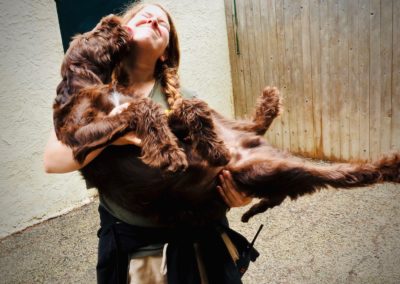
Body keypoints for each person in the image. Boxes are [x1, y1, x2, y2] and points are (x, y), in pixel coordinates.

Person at [44, 2, 256, 283]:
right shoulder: (89, 91)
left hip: (201, 240)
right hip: (138, 250)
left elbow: (229, 163)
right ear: (119, 34)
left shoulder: (186, 101)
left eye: (162, 22)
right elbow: (53, 160)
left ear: (165, 52)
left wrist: (241, 194)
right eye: (144, 16)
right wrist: (114, 131)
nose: (154, 20)